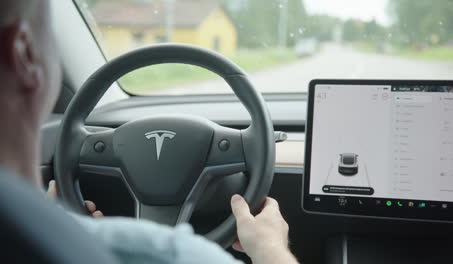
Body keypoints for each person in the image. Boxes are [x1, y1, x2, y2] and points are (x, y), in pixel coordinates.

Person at [0, 1, 298, 263]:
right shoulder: (170, 254)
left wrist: (52, 221)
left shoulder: (42, 238)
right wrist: (270, 250)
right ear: (26, 54)